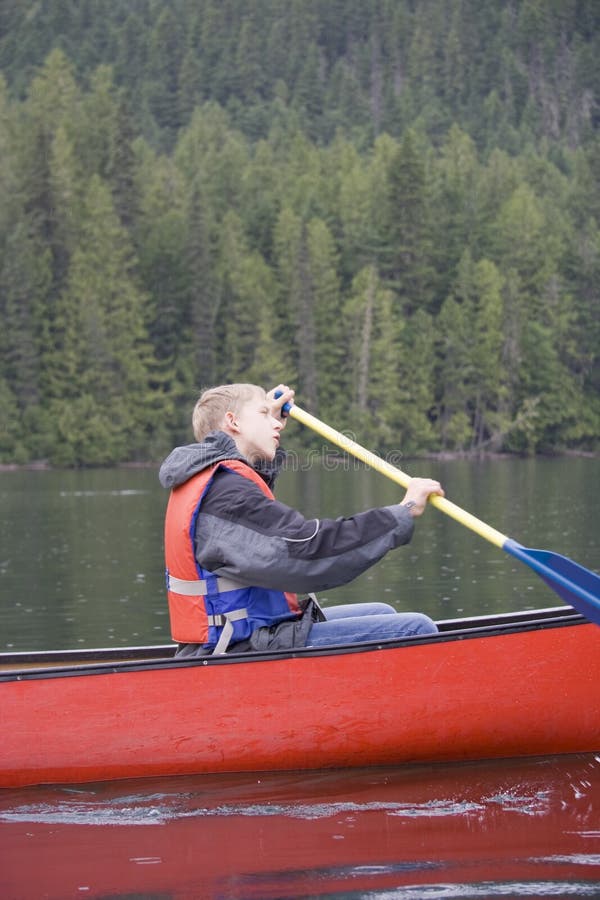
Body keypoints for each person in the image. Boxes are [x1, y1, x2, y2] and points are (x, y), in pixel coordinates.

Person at [159, 383, 445, 657]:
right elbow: (307, 550)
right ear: (233, 422)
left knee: (382, 612)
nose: (275, 424)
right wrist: (400, 514)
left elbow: (261, 527)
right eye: (262, 414)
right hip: (237, 647)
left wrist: (263, 416)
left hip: (246, 634)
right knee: (416, 629)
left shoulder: (216, 480)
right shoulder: (227, 494)